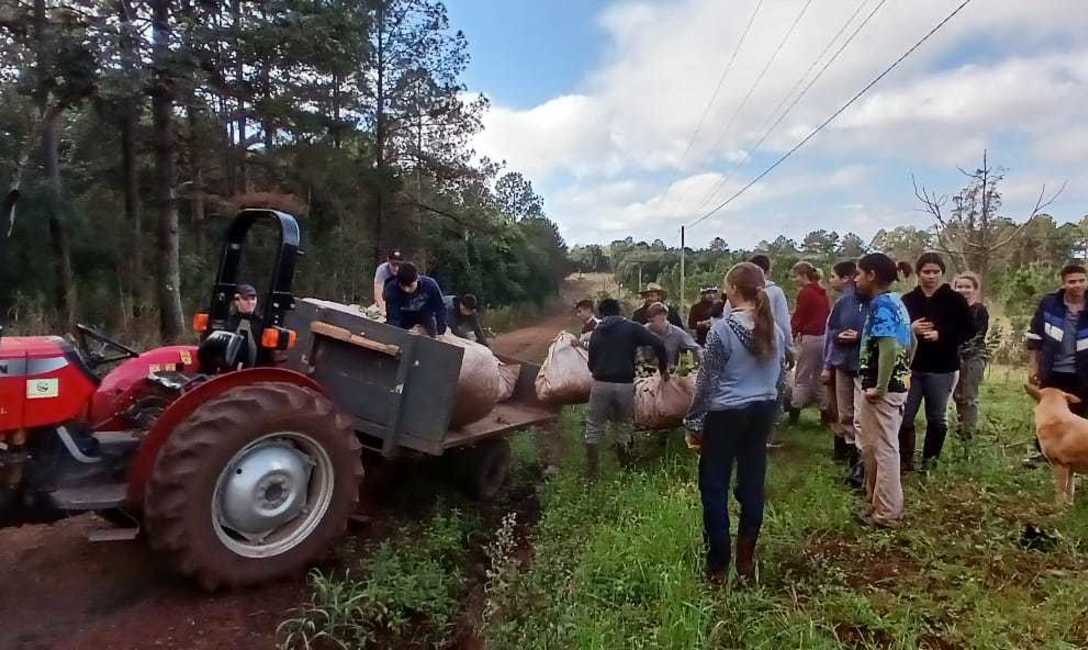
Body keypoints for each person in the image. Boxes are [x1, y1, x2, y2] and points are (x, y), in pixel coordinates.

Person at [685, 262, 788, 586]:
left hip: (726, 414)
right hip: (761, 411)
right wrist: (775, 415)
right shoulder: (776, 330)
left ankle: (717, 567)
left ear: (731, 290)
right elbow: (780, 379)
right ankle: (745, 561)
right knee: (751, 485)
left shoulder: (723, 330)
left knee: (714, 487)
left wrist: (694, 422)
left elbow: (706, 383)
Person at [854, 252, 915, 528]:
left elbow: (889, 346)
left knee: (884, 447)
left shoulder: (882, 305)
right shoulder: (897, 303)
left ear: (872, 275)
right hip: (893, 385)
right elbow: (912, 340)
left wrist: (880, 385)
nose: (856, 279)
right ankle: (877, 503)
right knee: (874, 445)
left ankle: (887, 512)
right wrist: (904, 370)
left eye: (858, 273)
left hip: (882, 391)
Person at [898, 252, 975, 471]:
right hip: (912, 366)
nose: (930, 276)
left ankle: (929, 463)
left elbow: (968, 329)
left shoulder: (955, 299)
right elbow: (894, 331)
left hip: (943, 367)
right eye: (926, 272)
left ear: (942, 273)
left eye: (935, 272)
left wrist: (941, 334)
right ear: (918, 273)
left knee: (937, 418)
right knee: (905, 417)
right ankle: (905, 461)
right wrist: (911, 329)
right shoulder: (908, 300)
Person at [586, 298, 669, 479]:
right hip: (625, 384)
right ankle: (626, 467)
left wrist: (599, 372)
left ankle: (592, 473)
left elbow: (591, 363)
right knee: (623, 425)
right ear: (620, 310)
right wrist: (663, 371)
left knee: (594, 425)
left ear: (601, 313)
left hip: (600, 383)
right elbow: (659, 344)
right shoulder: (631, 328)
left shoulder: (596, 332)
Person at [822, 260, 868, 483]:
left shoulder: (878, 303)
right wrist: (827, 364)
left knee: (861, 415)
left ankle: (862, 463)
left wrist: (860, 337)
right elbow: (831, 332)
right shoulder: (843, 303)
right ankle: (851, 457)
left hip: (864, 364)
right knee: (845, 413)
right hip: (842, 361)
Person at [1026, 263, 1088, 411]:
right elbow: (1035, 337)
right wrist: (1033, 366)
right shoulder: (1049, 303)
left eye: (1081, 280)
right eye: (1072, 282)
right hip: (1052, 373)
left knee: (1079, 423)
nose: (1077, 285)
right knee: (1050, 417)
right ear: (1063, 284)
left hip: (1083, 374)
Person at [789, 261, 832, 425]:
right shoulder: (822, 292)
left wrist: (791, 334)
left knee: (802, 377)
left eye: (796, 276)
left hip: (810, 337)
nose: (795, 280)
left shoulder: (806, 293)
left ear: (803, 275)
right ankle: (825, 414)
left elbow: (799, 316)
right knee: (820, 378)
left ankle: (795, 412)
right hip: (824, 338)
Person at [952, 272, 989, 440]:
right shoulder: (949, 308)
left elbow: (976, 335)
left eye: (967, 287)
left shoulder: (980, 310)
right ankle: (960, 428)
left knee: (969, 395)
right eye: (959, 287)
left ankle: (968, 435)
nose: (963, 290)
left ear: (975, 289)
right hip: (953, 356)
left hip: (974, 355)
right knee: (957, 395)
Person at [384, 262, 447, 336]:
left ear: (417, 279)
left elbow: (440, 308)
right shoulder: (392, 289)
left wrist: (440, 330)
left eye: (410, 286)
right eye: (403, 286)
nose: (407, 290)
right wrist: (398, 334)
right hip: (403, 317)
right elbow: (393, 317)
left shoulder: (430, 285)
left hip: (425, 317)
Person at [645, 302, 703, 368]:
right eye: (650, 321)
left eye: (653, 321)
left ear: (664, 317)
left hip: (670, 372)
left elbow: (696, 348)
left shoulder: (677, 333)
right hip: (645, 372)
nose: (651, 324)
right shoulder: (643, 331)